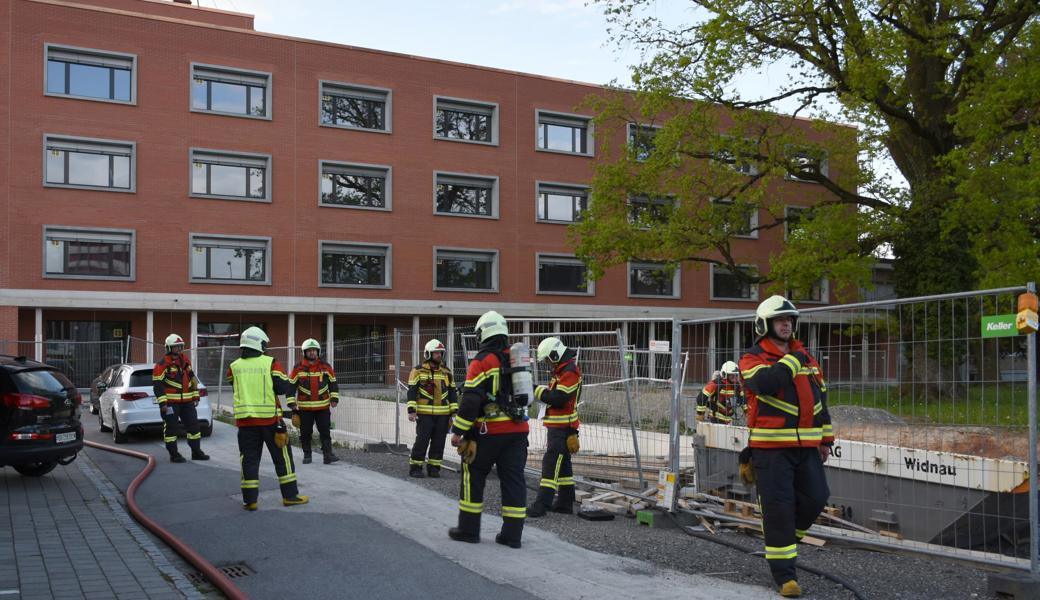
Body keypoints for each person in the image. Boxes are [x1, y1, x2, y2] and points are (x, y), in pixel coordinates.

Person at [738, 295, 833, 598]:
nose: (786, 324)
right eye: (780, 320)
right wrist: (794, 358)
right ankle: (785, 577)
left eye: (790, 320)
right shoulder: (752, 358)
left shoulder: (807, 359)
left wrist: (826, 439)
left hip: (807, 447)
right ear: (764, 325)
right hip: (770, 450)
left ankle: (783, 539)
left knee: (817, 498)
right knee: (778, 509)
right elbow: (765, 384)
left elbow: (821, 400)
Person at [448, 310, 529, 549]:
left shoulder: (481, 361)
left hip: (488, 433)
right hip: (518, 431)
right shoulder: (516, 358)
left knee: (472, 477)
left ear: (483, 333)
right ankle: (512, 536)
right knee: (514, 481)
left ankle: (468, 531)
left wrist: (458, 431)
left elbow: (471, 400)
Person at [225, 326, 309, 511]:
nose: (265, 347)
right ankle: (290, 496)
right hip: (271, 422)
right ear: (258, 343)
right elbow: (282, 388)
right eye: (264, 344)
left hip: (245, 424)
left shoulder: (234, 367)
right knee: (283, 458)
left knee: (248, 460)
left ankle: (250, 501)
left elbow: (233, 384)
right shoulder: (271, 363)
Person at [528, 336, 581, 518]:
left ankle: (541, 504)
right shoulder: (562, 370)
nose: (547, 363)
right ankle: (565, 504)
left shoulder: (569, 372)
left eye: (548, 360)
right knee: (563, 466)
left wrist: (535, 389)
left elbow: (559, 398)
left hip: (562, 428)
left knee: (551, 463)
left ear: (555, 355)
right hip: (561, 426)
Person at [152, 333, 208, 463]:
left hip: (187, 403)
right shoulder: (161, 365)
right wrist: (163, 403)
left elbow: (192, 379)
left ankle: (196, 452)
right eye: (176, 346)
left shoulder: (185, 361)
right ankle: (174, 455)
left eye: (180, 346)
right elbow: (158, 385)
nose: (179, 349)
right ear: (169, 348)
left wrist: (195, 396)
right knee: (171, 429)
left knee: (194, 427)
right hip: (171, 403)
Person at [406, 339, 458, 478]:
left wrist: (454, 412)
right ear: (428, 354)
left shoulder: (447, 372)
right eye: (436, 353)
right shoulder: (417, 371)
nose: (439, 355)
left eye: (440, 353)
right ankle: (416, 468)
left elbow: (452, 393)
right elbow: (412, 391)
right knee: (422, 441)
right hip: (424, 414)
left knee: (439, 442)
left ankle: (434, 468)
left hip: (443, 415)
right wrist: (411, 411)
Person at [289, 338, 340, 465]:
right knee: (306, 433)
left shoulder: (326, 367)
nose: (312, 353)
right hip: (305, 408)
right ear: (304, 352)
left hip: (323, 407)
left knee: (325, 432)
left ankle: (328, 455)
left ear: (318, 351)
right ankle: (307, 455)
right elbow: (291, 386)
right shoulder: (298, 368)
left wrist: (334, 398)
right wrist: (292, 403)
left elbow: (333, 383)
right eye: (309, 350)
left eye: (314, 350)